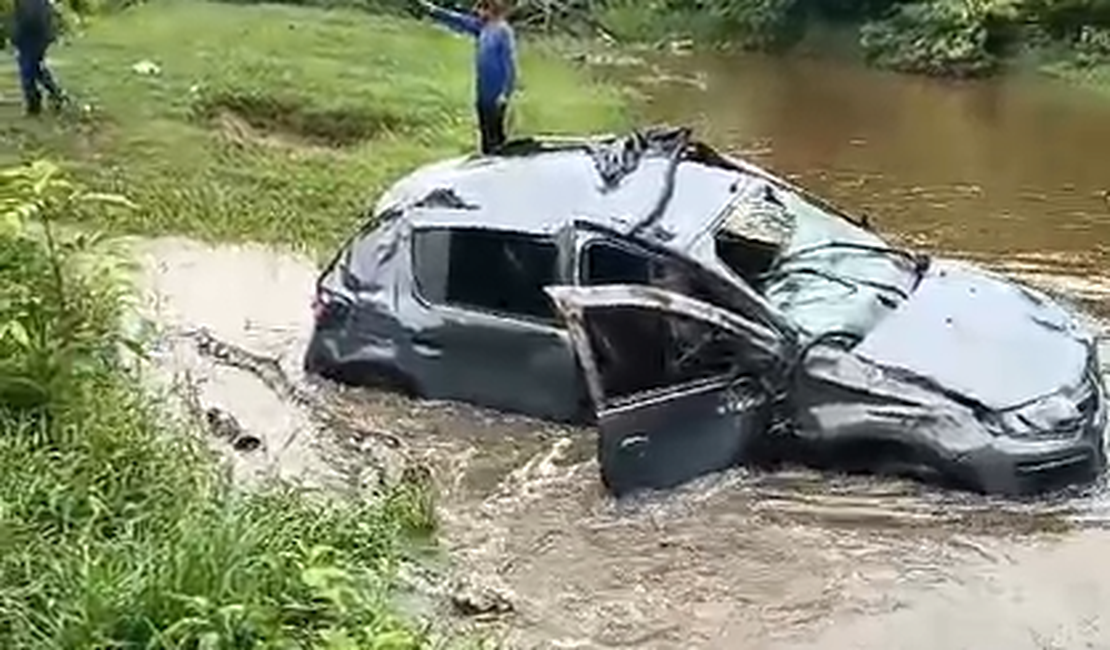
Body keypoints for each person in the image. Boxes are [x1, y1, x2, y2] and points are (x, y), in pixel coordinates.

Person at [416, 0, 516, 154]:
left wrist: (505, 93)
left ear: (492, 10)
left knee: (495, 133)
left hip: (497, 93)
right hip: (483, 90)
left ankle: (501, 166)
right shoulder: (482, 28)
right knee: (485, 134)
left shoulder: (503, 31)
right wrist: (434, 11)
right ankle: (487, 161)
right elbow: (458, 20)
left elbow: (510, 65)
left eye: (483, 9)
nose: (479, 13)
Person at [9, 0, 66, 116]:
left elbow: (27, 19)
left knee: (27, 71)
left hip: (31, 37)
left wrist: (16, 37)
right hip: (39, 36)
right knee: (35, 69)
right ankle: (55, 93)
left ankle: (34, 105)